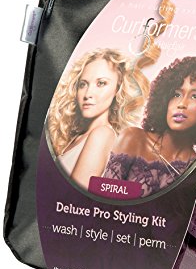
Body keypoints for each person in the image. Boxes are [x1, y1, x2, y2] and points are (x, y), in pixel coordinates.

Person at [103, 56, 196, 198]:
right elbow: (104, 198)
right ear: (165, 99)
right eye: (176, 94)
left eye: (195, 96)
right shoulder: (134, 139)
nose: (182, 104)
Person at [47, 48, 154, 189]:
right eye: (83, 84)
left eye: (101, 83)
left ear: (117, 89)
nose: (88, 94)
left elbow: (73, 196)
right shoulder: (79, 137)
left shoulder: (102, 134)